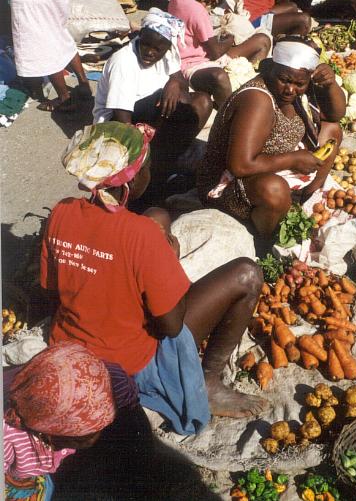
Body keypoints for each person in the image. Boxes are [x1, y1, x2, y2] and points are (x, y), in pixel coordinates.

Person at [40, 122, 268, 425]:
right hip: (128, 361)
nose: (151, 169)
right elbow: (172, 327)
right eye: (147, 165)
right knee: (247, 274)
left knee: (158, 215)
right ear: (130, 181)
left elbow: (52, 286)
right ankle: (208, 384)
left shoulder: (62, 211)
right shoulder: (142, 235)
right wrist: (168, 263)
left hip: (70, 343)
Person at [197, 38, 345, 241]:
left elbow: (335, 115)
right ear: (270, 69)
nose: (290, 90)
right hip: (228, 182)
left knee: (333, 132)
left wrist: (330, 84)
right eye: (284, 80)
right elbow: (239, 166)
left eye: (299, 84)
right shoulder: (257, 100)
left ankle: (301, 200)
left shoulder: (299, 82)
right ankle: (266, 236)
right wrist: (294, 159)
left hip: (273, 163)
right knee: (274, 190)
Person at [93, 9, 212, 191]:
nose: (150, 52)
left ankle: (166, 161)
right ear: (140, 36)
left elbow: (180, 80)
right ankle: (153, 172)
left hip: (151, 111)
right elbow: (122, 120)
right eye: (146, 45)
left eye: (157, 49)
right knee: (174, 101)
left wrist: (173, 81)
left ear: (167, 46)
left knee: (202, 101)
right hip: (118, 123)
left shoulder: (168, 50)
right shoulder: (124, 62)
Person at [3, 341, 136, 499]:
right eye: (81, 439)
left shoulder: (50, 376)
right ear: (48, 433)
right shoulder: (8, 439)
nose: (97, 435)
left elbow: (125, 389)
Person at [168, 0, 270, 106]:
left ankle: (250, 82)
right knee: (220, 76)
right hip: (191, 65)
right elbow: (215, 52)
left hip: (201, 55)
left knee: (261, 40)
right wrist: (230, 39)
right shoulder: (195, 9)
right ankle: (228, 111)